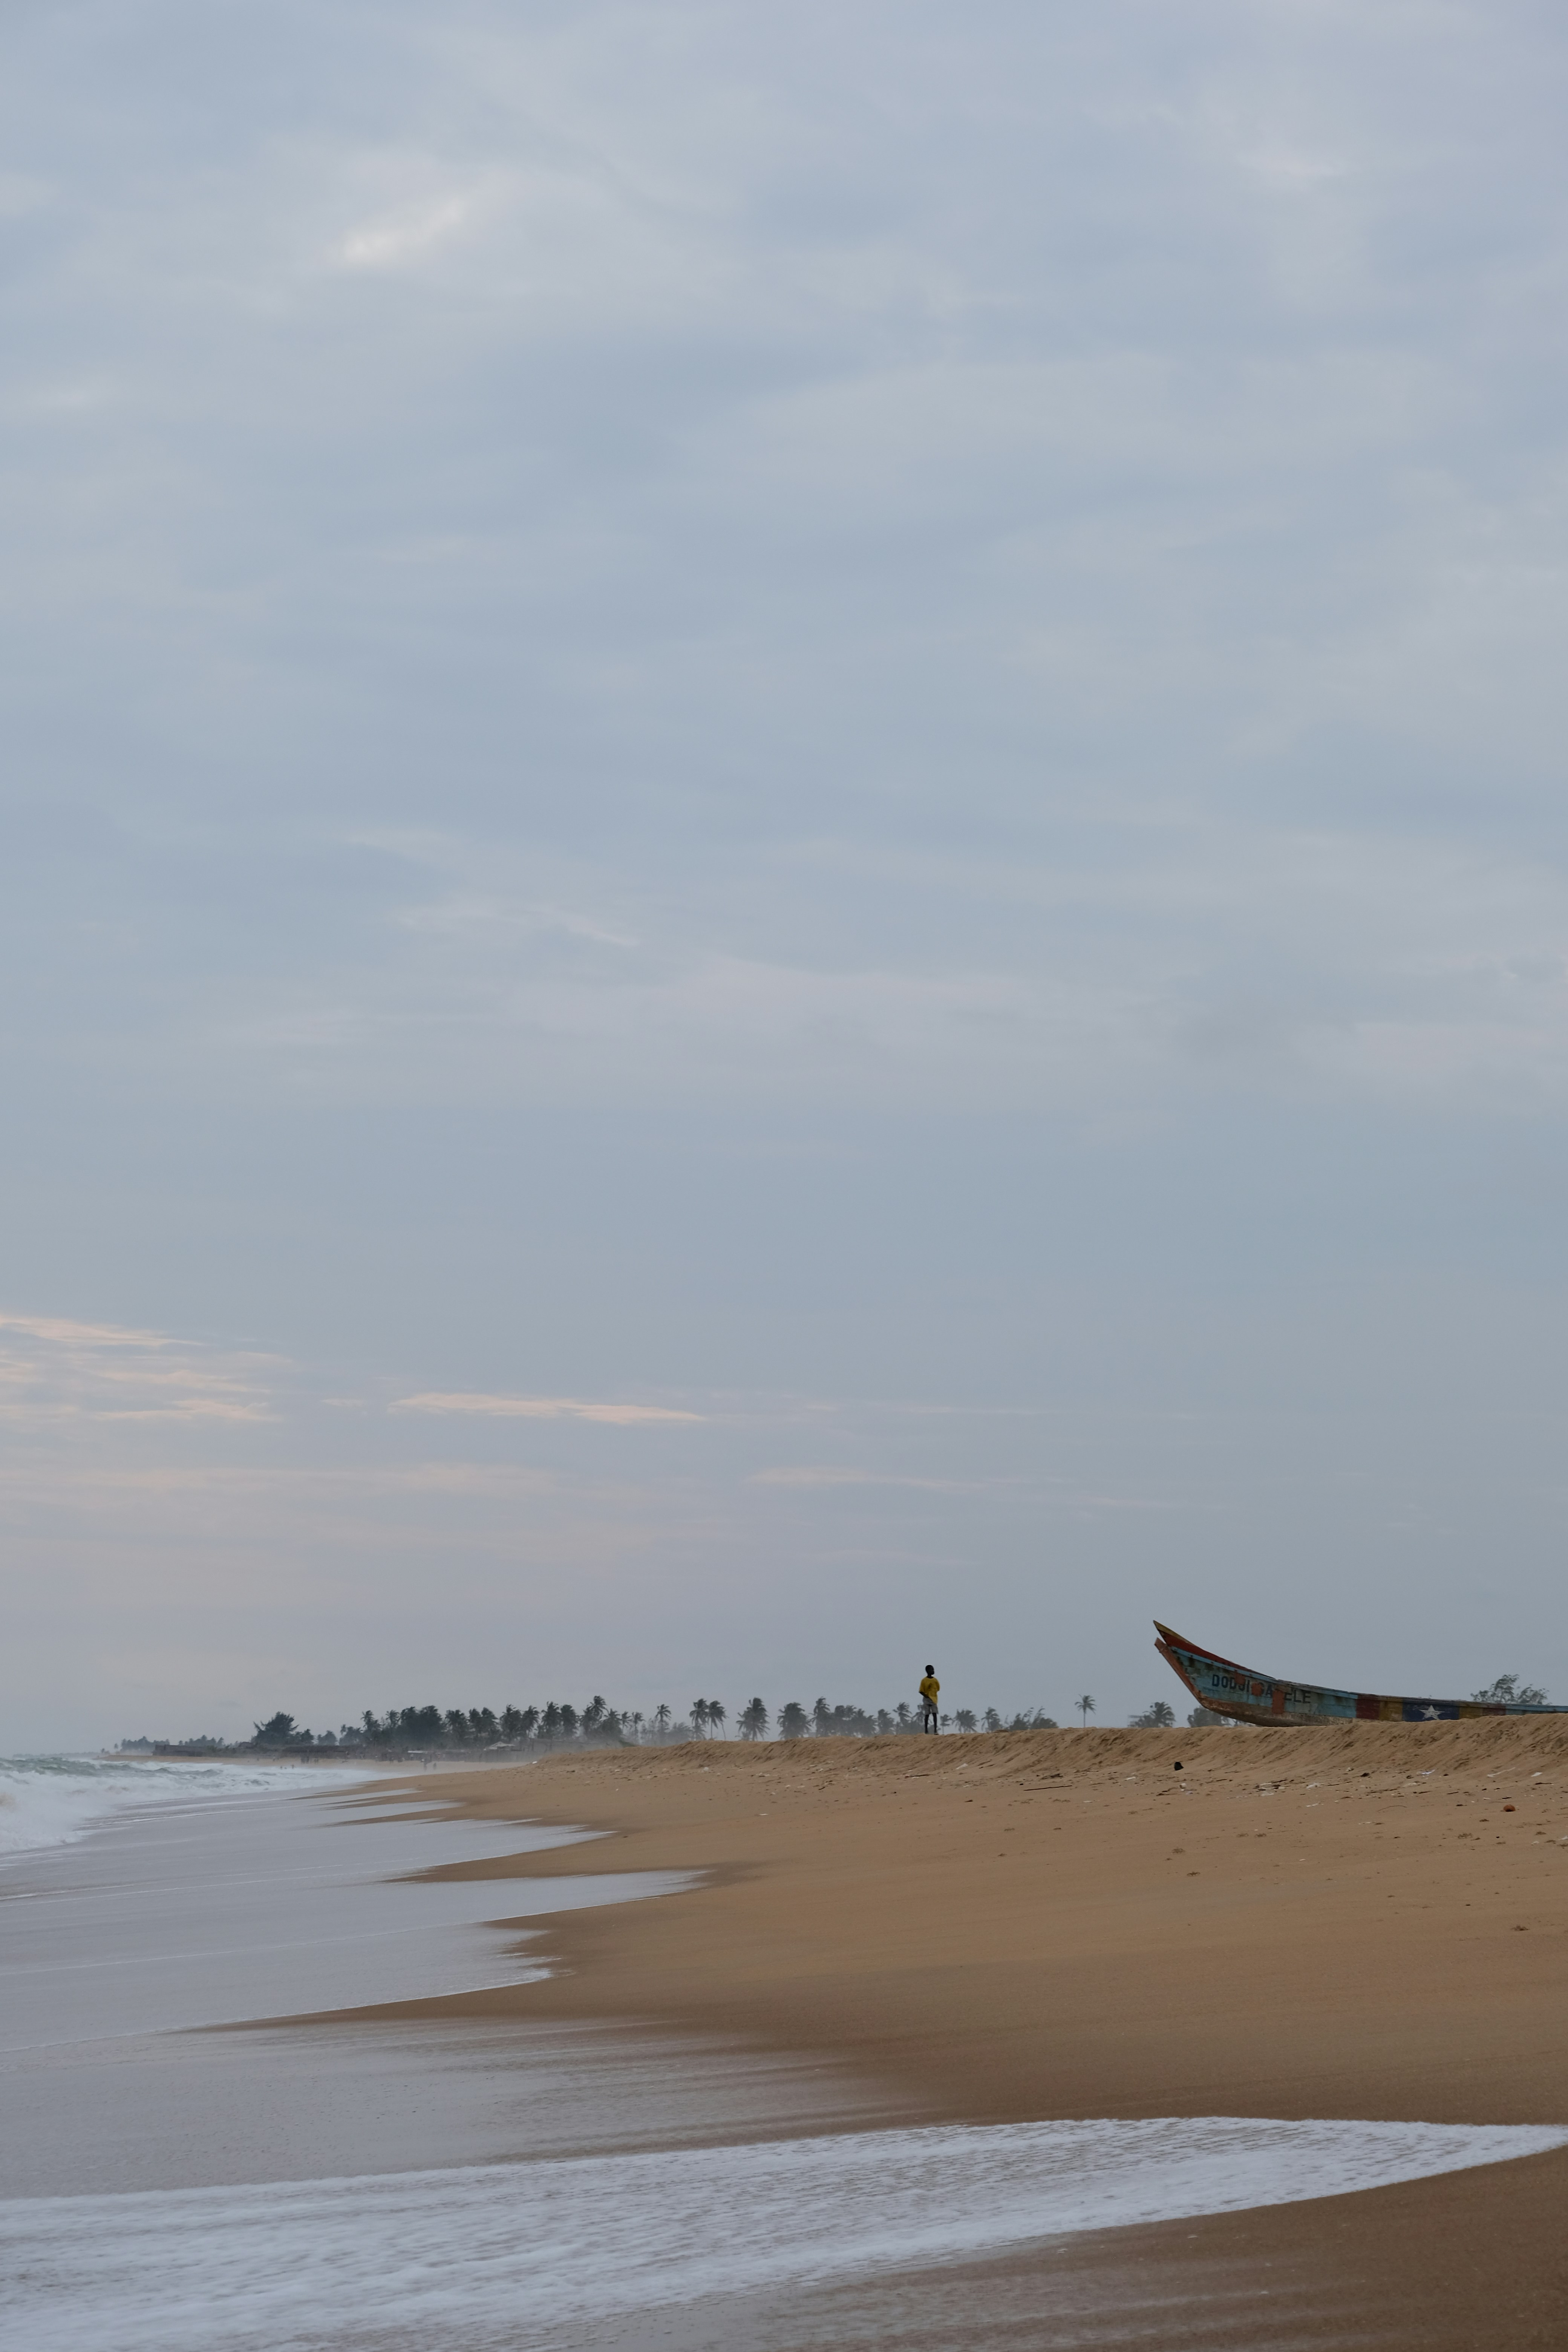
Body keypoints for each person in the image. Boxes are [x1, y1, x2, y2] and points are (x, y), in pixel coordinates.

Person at [919, 1664, 940, 1733]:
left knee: (935, 1714)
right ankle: (926, 1730)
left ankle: (935, 1730)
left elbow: (938, 1688)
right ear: (928, 1671)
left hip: (934, 1700)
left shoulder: (935, 1680)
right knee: (927, 1714)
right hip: (927, 1700)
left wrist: (933, 1694)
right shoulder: (924, 1681)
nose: (933, 1671)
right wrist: (926, 1696)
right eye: (932, 1670)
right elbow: (921, 1691)